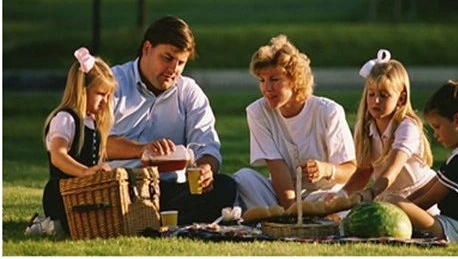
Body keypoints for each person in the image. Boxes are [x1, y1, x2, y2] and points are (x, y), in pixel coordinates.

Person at [105, 16, 236, 224]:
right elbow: (96, 143)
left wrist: (205, 170)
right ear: (147, 49)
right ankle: (154, 219)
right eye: (167, 58)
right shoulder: (113, 83)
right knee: (56, 194)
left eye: (181, 63)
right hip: (118, 186)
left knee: (225, 187)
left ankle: (139, 220)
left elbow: (207, 147)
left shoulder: (189, 91)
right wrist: (141, 150)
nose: (173, 69)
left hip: (169, 190)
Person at [233, 34, 356, 211]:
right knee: (243, 178)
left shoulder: (329, 112)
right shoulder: (257, 112)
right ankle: (284, 219)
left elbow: (352, 171)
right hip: (283, 196)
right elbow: (278, 169)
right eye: (262, 80)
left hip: (323, 195)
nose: (267, 88)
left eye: (275, 79)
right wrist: (292, 211)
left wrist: (326, 170)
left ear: (295, 80)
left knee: (331, 201)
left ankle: (282, 218)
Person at [326, 49, 437, 213]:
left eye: (384, 95)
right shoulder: (364, 127)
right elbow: (363, 172)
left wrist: (370, 193)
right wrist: (342, 194)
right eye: (371, 94)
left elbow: (391, 171)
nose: (375, 100)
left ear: (401, 98)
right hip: (389, 199)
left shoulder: (407, 127)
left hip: (422, 197)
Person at [387, 80, 458, 243]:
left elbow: (430, 198)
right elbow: (427, 188)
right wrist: (405, 203)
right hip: (450, 223)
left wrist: (399, 209)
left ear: (457, 120)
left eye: (437, 126)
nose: (435, 134)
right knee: (394, 201)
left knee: (394, 202)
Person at [41, 47, 116, 234]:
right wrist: (85, 172)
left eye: (108, 96)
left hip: (84, 194)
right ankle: (46, 225)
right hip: (63, 194)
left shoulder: (92, 123)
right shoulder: (66, 119)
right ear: (82, 90)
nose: (105, 101)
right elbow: (58, 155)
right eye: (100, 94)